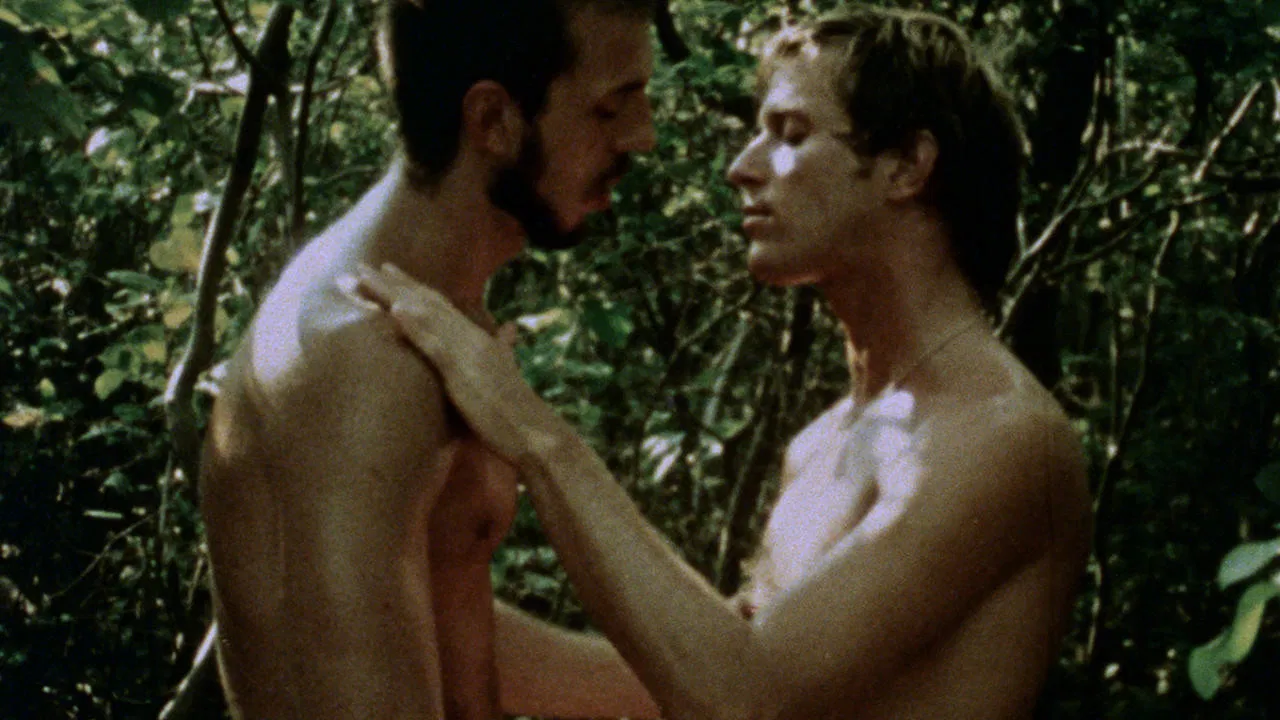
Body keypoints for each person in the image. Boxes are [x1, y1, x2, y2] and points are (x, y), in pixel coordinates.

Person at [352, 6, 1094, 719]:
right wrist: (408, 581)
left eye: (791, 133)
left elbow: (741, 699)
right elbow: (686, 671)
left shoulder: (998, 436)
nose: (742, 168)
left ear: (906, 166)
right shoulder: (826, 443)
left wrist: (533, 434)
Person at [198, 0, 659, 717]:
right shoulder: (358, 360)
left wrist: (744, 667)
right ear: (493, 121)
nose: (645, 136)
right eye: (611, 108)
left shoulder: (436, 318)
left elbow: (415, 622)